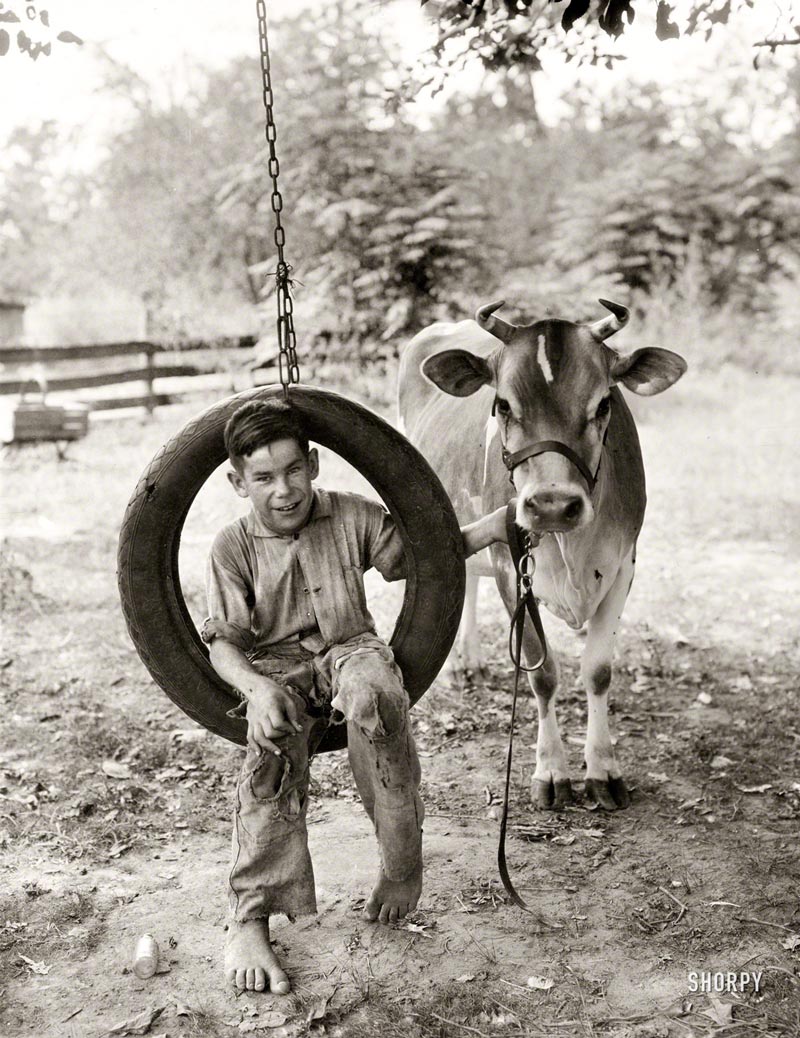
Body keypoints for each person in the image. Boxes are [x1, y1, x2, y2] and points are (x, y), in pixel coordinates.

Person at [202, 399, 506, 995]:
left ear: (314, 464)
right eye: (263, 478)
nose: (283, 490)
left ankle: (401, 863)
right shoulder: (232, 547)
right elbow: (222, 644)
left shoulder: (350, 515)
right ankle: (250, 918)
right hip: (278, 666)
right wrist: (258, 689)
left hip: (350, 649)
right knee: (270, 750)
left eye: (293, 470)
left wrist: (495, 526)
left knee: (377, 698)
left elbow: (425, 558)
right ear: (239, 483)